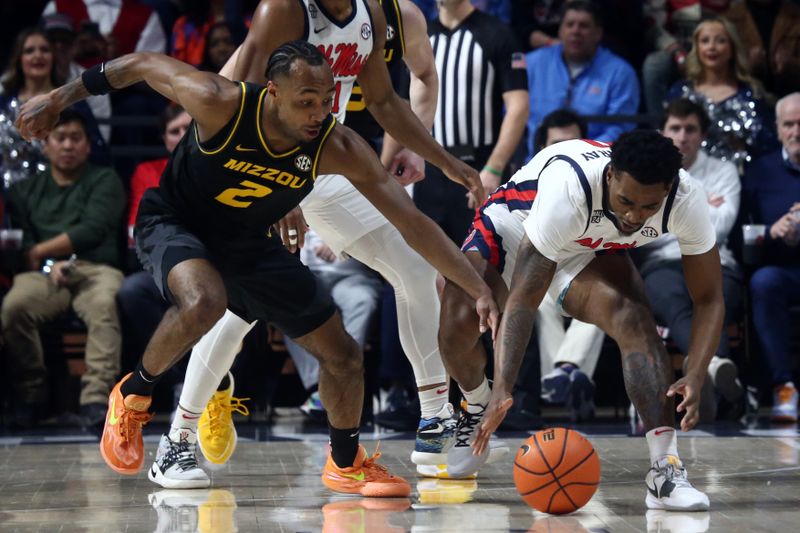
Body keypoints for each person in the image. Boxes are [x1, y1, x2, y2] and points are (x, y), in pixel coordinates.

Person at [15, 42, 498, 496]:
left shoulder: (338, 145)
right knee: (207, 301)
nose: (319, 112)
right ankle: (135, 396)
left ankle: (345, 462)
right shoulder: (218, 100)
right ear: (273, 92)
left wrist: (474, 285)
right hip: (177, 222)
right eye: (307, 100)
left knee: (344, 355)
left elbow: (411, 222)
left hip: (246, 240)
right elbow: (139, 65)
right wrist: (60, 98)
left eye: (327, 99)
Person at [166, 0, 487, 486]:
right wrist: (278, 190)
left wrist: (444, 160)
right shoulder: (283, 9)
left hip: (317, 164)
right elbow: (243, 99)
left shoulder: (372, 16)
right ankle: (178, 440)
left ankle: (435, 417)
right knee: (238, 308)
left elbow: (384, 102)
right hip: (241, 165)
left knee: (416, 267)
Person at [439, 131, 721, 512]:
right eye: (626, 201)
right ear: (609, 177)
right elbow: (524, 298)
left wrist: (697, 371)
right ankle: (475, 404)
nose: (634, 217)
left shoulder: (686, 199)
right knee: (458, 318)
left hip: (587, 244)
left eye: (648, 207)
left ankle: (664, 471)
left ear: (669, 189)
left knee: (634, 317)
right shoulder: (569, 188)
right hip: (516, 226)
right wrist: (504, 388)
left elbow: (708, 298)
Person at [2, 109, 125, 428]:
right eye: (60, 138)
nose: (68, 146)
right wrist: (46, 262)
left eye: (75, 138)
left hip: (96, 268)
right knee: (14, 307)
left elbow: (94, 229)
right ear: (46, 146)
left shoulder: (105, 179)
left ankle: (96, 400)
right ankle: (33, 394)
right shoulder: (23, 192)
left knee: (103, 305)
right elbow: (24, 245)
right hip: (44, 273)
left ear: (87, 145)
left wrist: (43, 251)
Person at [641, 98, 744, 421]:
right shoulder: (648, 172)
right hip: (662, 263)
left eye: (690, 129)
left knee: (715, 298)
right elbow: (643, 229)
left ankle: (706, 372)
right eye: (675, 128)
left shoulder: (724, 170)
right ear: (663, 132)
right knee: (672, 298)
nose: (682, 136)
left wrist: (669, 217)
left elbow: (720, 226)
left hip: (716, 259)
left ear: (702, 135)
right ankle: (712, 367)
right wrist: (700, 207)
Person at [531, 109, 605, 423]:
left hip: (590, 272)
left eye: (573, 143)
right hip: (545, 273)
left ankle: (563, 373)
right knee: (541, 301)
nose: (566, 152)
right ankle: (571, 376)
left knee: (602, 304)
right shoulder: (528, 179)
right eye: (556, 144)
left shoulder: (604, 182)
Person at [741, 92, 800, 423]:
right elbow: (744, 236)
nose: (796, 132)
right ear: (777, 129)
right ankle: (783, 386)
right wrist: (771, 230)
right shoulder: (760, 171)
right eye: (789, 124)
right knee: (763, 282)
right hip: (782, 267)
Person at [523, 0, 640, 160]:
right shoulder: (531, 64)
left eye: (584, 25)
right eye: (569, 24)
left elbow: (620, 127)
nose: (575, 31)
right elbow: (510, 114)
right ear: (560, 30)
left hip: (594, 166)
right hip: (533, 161)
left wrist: (581, 155)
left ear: (598, 33)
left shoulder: (620, 73)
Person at [665, 16, 777, 166]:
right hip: (687, 175)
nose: (712, 47)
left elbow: (766, 144)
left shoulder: (751, 93)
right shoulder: (680, 91)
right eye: (705, 41)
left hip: (741, 176)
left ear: (732, 48)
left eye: (720, 41)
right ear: (697, 48)